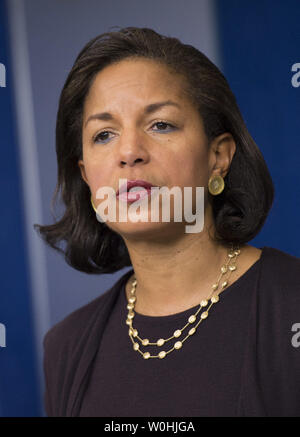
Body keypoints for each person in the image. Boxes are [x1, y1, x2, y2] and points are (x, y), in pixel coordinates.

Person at [35, 27, 300, 417]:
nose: (129, 152)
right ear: (87, 175)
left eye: (160, 125)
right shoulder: (66, 347)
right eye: (104, 134)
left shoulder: (290, 308)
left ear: (218, 157)